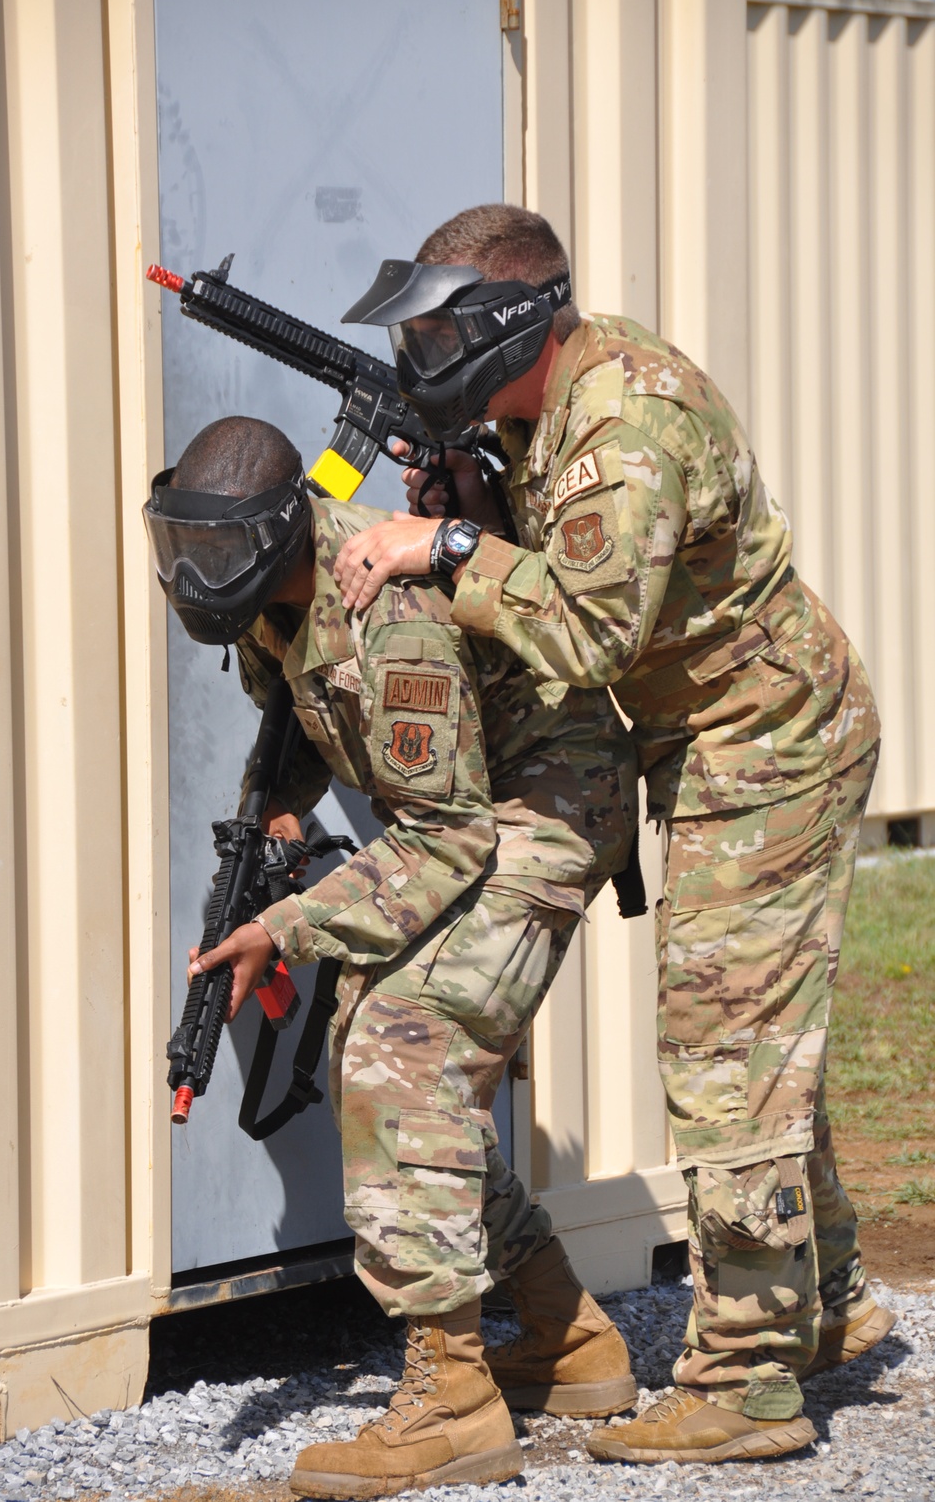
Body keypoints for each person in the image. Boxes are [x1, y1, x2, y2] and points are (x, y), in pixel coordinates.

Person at [333, 204, 894, 1465]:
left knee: (725, 1050)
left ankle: (746, 1386)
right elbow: (582, 564)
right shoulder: (554, 407)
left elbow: (591, 636)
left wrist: (451, 543)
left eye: (437, 334)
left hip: (765, 742)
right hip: (711, 736)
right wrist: (483, 499)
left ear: (509, 323)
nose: (423, 360)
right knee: (760, 1041)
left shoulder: (623, 420)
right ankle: (832, 1306)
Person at [144, 414, 643, 1499]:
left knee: (402, 1053)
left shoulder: (391, 614)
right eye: (186, 549)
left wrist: (286, 927)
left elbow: (449, 833)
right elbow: (304, 728)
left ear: (282, 535)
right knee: (387, 1051)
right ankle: (567, 1339)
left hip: (546, 805)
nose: (200, 576)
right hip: (471, 808)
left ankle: (454, 1406)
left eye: (222, 554)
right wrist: (276, 822)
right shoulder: (274, 600)